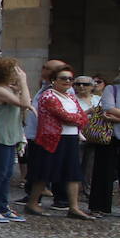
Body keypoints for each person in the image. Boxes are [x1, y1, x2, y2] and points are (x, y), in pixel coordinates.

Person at [25, 67, 92, 220]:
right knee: (44, 172)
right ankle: (33, 202)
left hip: (70, 138)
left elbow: (82, 116)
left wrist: (77, 118)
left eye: (70, 79)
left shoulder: (71, 97)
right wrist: (77, 118)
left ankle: (74, 207)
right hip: (52, 138)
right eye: (63, 78)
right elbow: (64, 116)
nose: (68, 81)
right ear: (54, 80)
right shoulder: (48, 96)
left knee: (73, 172)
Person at [0, 57, 29, 223]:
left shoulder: (6, 88)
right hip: (2, 136)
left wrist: (18, 88)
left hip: (11, 135)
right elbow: (24, 103)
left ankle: (3, 206)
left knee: (7, 173)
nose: (17, 74)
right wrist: (24, 83)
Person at [89, 70, 120, 217]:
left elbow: (114, 113)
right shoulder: (112, 89)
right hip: (110, 136)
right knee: (103, 172)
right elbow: (108, 108)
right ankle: (99, 206)